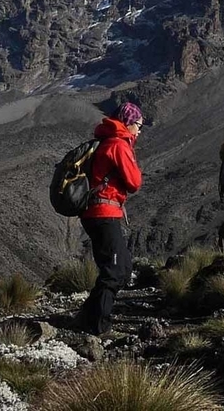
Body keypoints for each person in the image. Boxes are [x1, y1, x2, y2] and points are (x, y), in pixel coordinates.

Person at [74, 102, 144, 336]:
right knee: (114, 270)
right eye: (138, 125)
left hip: (97, 213)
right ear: (128, 123)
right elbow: (134, 182)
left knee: (121, 267)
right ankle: (98, 326)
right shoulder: (118, 144)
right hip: (104, 213)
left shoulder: (108, 140)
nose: (139, 131)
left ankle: (87, 316)